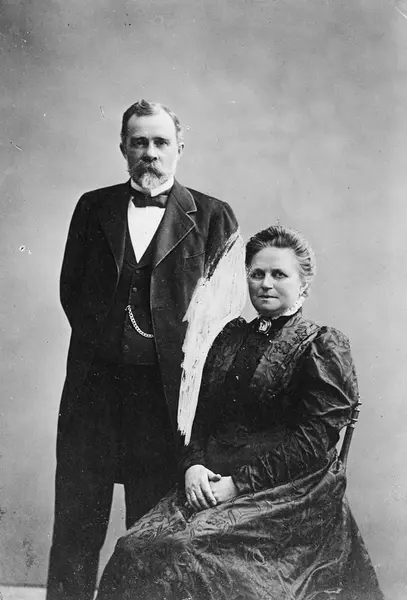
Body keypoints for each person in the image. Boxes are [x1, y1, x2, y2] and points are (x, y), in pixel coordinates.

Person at [96, 225, 384, 600]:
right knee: (134, 548)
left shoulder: (321, 345)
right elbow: (200, 417)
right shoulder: (229, 337)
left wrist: (238, 484)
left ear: (304, 284)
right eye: (257, 273)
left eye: (279, 274)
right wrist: (193, 466)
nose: (266, 283)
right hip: (211, 478)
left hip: (288, 490)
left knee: (183, 552)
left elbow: (312, 442)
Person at [46, 100, 238, 600]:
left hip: (164, 398)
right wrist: (112, 343)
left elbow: (223, 314)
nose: (149, 153)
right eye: (139, 142)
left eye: (160, 142)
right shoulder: (93, 207)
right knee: (76, 519)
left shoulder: (213, 216)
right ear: (123, 148)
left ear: (179, 148)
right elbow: (71, 289)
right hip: (94, 390)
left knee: (152, 525)